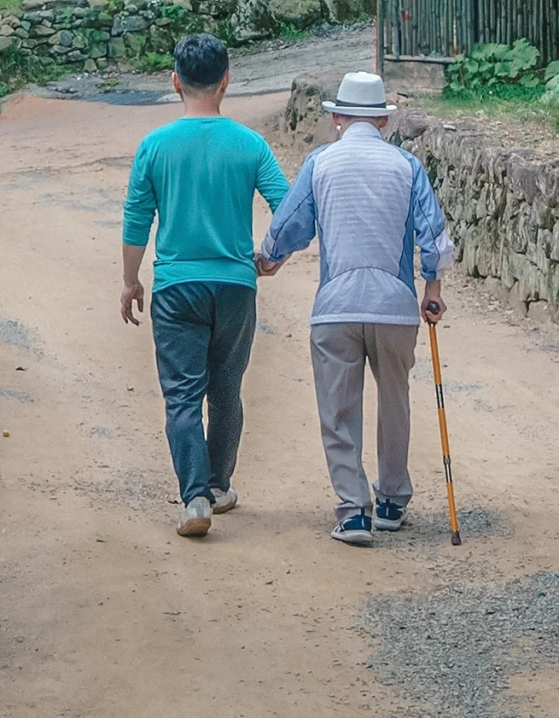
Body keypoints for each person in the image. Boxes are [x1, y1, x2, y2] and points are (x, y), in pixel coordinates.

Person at [256, 70, 450, 546]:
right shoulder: (406, 166)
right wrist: (433, 289)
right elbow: (433, 237)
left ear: (339, 117)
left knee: (338, 410)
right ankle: (391, 500)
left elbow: (290, 226)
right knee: (394, 402)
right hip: (394, 306)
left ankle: (353, 511)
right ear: (382, 122)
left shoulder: (320, 163)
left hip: (336, 307)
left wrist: (270, 259)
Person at [121, 33, 290, 539]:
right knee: (226, 390)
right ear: (226, 82)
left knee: (182, 396)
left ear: (175, 82)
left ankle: (194, 499)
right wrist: (272, 255)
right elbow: (289, 205)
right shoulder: (250, 144)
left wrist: (131, 281)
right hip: (237, 287)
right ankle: (219, 486)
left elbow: (137, 219)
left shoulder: (154, 146)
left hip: (176, 288)